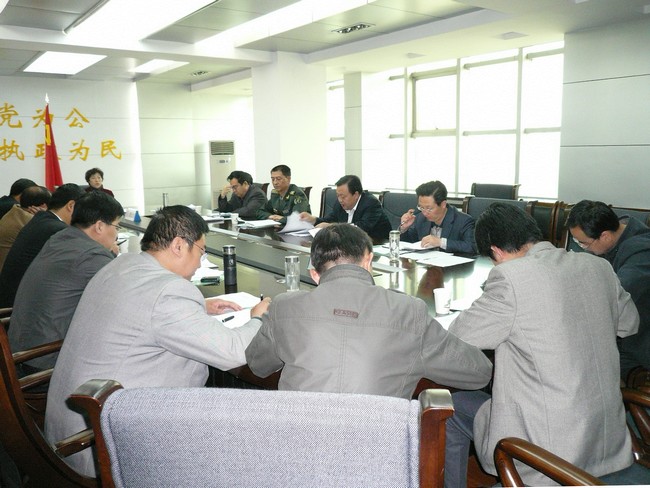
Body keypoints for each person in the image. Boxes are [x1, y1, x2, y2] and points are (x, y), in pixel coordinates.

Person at [45, 205, 270, 477]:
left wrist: (200, 306)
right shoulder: (169, 292)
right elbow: (235, 352)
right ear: (178, 245)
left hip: (69, 433)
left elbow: (142, 309)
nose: (200, 262)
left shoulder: (121, 265)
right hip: (105, 447)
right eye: (201, 251)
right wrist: (258, 318)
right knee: (246, 442)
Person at [444, 203, 640, 488]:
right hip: (607, 440)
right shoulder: (599, 266)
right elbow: (629, 323)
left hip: (549, 454)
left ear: (496, 251)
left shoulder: (510, 278)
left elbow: (459, 336)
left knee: (449, 406)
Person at [246, 223, 492, 399]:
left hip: (297, 449)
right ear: (368, 261)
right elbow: (479, 373)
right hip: (380, 450)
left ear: (314, 274)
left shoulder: (284, 306)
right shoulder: (409, 311)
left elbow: (257, 365)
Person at [8, 191, 124, 375]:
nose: (116, 234)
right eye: (117, 226)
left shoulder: (60, 238)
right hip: (45, 363)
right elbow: (125, 294)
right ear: (100, 226)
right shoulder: (91, 255)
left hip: (20, 352)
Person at [567, 200, 650, 380]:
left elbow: (612, 298)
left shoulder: (641, 252)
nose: (582, 248)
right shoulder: (616, 238)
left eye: (583, 243)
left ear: (605, 236)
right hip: (622, 333)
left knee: (578, 365)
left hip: (637, 343)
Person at [0, 183, 85, 308]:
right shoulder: (58, 230)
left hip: (11, 296)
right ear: (71, 205)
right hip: (18, 305)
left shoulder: (41, 218)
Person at [299, 175, 392, 240]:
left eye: (343, 196)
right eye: (338, 196)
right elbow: (328, 220)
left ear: (356, 195)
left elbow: (361, 228)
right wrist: (313, 219)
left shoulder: (371, 203)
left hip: (377, 246)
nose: (340, 200)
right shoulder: (340, 204)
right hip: (351, 245)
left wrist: (331, 226)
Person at [399, 180, 476, 254]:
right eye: (421, 207)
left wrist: (440, 242)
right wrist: (404, 229)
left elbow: (472, 247)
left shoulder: (464, 221)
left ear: (443, 204)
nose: (424, 213)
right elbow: (409, 244)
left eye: (429, 208)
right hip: (425, 262)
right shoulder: (420, 218)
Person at [0, 186, 51, 271]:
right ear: (43, 205)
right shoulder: (32, 221)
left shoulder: (15, 210)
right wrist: (46, 215)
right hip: (12, 271)